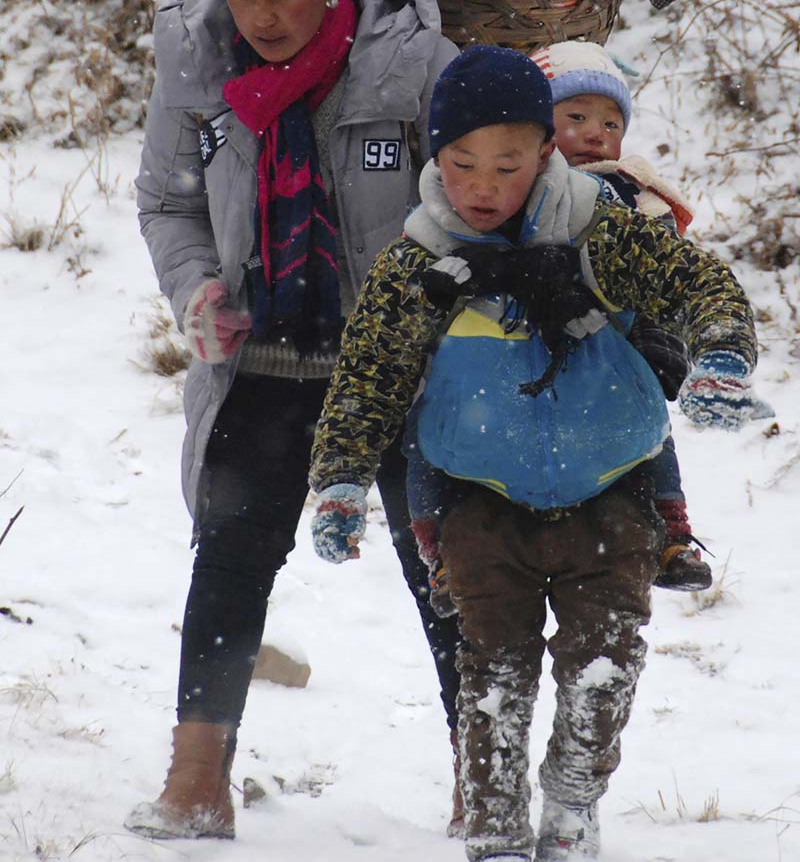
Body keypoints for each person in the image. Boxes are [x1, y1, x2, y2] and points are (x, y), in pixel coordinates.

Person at [308, 45, 770, 862]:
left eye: (508, 166)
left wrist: (722, 355)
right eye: (462, 164)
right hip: (480, 503)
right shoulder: (419, 261)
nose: (482, 187)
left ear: (548, 152)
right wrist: (342, 480)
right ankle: (494, 833)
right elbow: (368, 377)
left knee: (604, 668)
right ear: (436, 156)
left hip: (611, 493)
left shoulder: (602, 232)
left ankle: (573, 800)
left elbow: (697, 285)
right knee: (491, 675)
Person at [124, 0, 461, 841]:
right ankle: (196, 779)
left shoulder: (410, 63)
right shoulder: (198, 59)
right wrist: (196, 291)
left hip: (396, 362)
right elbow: (166, 200)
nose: (261, 15)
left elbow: (472, 198)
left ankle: (485, 777)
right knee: (231, 548)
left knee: (447, 565)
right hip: (261, 353)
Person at [529, 39, 711, 590]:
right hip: (533, 344)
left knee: (650, 433)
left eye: (610, 123)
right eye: (576, 117)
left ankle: (670, 530)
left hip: (619, 342)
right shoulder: (516, 184)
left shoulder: (635, 194)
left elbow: (667, 276)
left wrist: (662, 338)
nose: (595, 133)